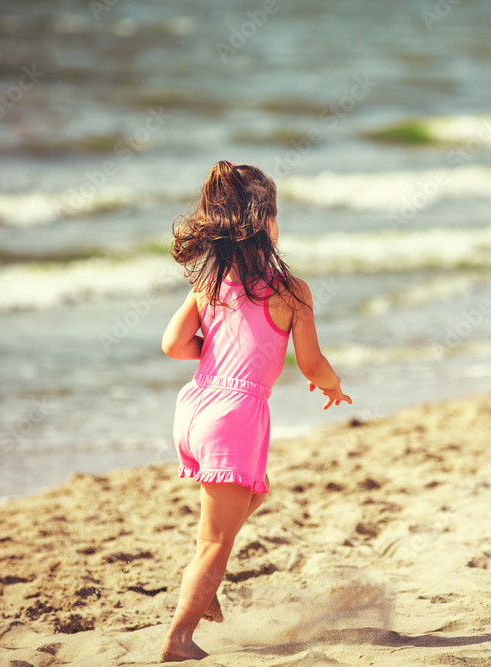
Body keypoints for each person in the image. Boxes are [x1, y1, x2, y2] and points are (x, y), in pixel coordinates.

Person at [159, 161, 352, 662]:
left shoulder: (208, 282)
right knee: (216, 543)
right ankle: (178, 638)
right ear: (265, 220)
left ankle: (205, 585)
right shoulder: (291, 291)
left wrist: (214, 352)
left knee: (247, 503)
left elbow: (173, 344)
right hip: (236, 415)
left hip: (195, 407)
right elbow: (310, 364)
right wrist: (332, 385)